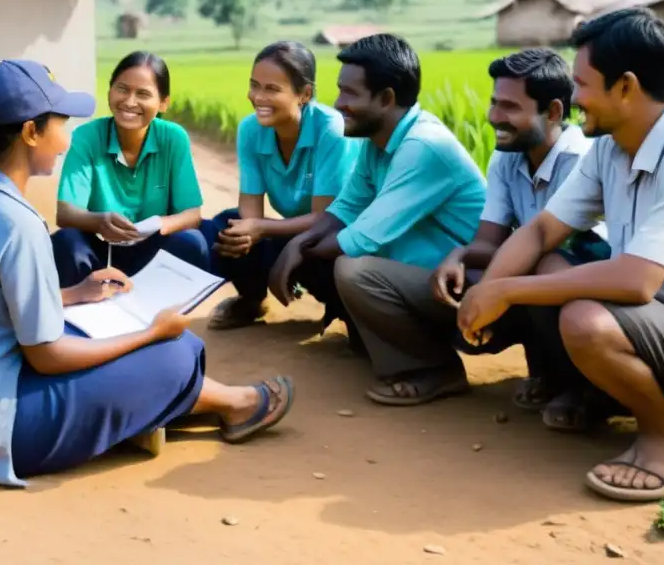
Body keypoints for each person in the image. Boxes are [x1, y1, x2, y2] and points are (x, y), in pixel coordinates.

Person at [0, 59, 295, 488]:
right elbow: (47, 357)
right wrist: (152, 334)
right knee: (175, 353)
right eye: (61, 124)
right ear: (31, 133)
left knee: (106, 336)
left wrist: (72, 294)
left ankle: (201, 405)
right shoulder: (18, 222)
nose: (66, 141)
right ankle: (229, 403)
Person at [458, 7, 664, 503]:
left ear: (625, 87)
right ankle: (607, 397)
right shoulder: (612, 148)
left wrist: (506, 290)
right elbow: (543, 229)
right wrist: (485, 293)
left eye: (582, 84)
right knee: (549, 264)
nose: (574, 98)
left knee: (587, 319)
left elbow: (637, 282)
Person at [352, 48, 609, 416]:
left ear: (553, 112)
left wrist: (489, 292)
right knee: (478, 277)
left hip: (582, 285)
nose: (494, 117)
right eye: (493, 103)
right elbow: (489, 241)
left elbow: (555, 250)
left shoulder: (581, 160)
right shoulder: (507, 155)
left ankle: (577, 385)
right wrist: (457, 257)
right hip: (524, 280)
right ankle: (539, 374)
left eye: (509, 107)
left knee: (546, 266)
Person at [269, 33, 486, 353]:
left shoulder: (422, 146)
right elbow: (345, 208)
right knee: (320, 249)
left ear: (386, 99)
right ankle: (373, 339)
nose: (338, 103)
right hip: (421, 272)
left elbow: (361, 238)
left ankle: (429, 369)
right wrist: (298, 242)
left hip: (462, 281)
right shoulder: (376, 142)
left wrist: (297, 251)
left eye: (349, 93)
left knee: (349, 265)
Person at [207, 41, 361, 330]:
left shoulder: (331, 128)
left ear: (305, 94)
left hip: (339, 232)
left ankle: (348, 313)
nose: (258, 97)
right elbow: (249, 212)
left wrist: (260, 228)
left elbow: (325, 218)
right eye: (255, 85)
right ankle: (251, 300)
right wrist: (249, 230)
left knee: (325, 256)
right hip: (298, 229)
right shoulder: (250, 129)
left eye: (272, 89)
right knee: (228, 227)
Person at [52, 52, 213, 286]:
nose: (129, 101)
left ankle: (167, 318)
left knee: (193, 242)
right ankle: (81, 319)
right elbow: (65, 214)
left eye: (143, 94)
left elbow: (192, 214)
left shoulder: (174, 138)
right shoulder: (86, 137)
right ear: (109, 90)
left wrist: (157, 224)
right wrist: (99, 221)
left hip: (152, 250)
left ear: (163, 102)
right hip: (100, 250)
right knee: (67, 242)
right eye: (122, 89)